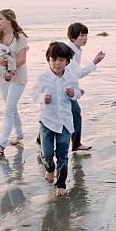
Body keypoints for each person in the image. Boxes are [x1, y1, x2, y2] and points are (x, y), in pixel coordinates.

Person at [32, 42, 81, 196]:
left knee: (63, 155)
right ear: (48, 60)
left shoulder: (70, 78)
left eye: (61, 60)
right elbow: (33, 95)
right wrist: (42, 98)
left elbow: (78, 93)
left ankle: (61, 184)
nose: (57, 63)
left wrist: (74, 94)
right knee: (46, 154)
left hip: (65, 122)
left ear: (67, 61)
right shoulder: (42, 78)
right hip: (47, 121)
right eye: (53, 59)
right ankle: (49, 169)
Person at [0, 9, 29, 155]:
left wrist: (9, 67)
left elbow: (22, 60)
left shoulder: (20, 38)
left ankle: (2, 144)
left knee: (8, 110)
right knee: (10, 107)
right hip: (3, 78)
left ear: (9, 20)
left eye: (0, 19)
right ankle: (19, 135)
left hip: (18, 77)